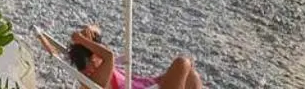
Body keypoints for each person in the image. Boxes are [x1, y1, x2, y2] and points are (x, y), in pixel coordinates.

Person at [42, 27, 202, 89]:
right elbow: (109, 56)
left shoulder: (98, 66)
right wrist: (81, 39)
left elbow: (98, 32)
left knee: (192, 76)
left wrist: (88, 29)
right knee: (182, 63)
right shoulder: (92, 81)